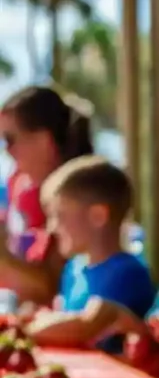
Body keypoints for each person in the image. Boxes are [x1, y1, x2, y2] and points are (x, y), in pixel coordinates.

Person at [26, 156, 156, 351]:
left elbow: (83, 327)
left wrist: (22, 330)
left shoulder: (126, 272)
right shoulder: (73, 269)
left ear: (98, 216)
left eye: (59, 215)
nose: (52, 228)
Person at [0, 86, 93, 304]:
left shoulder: (80, 199)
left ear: (44, 140)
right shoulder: (22, 190)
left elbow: (51, 289)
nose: (7, 151)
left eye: (10, 139)